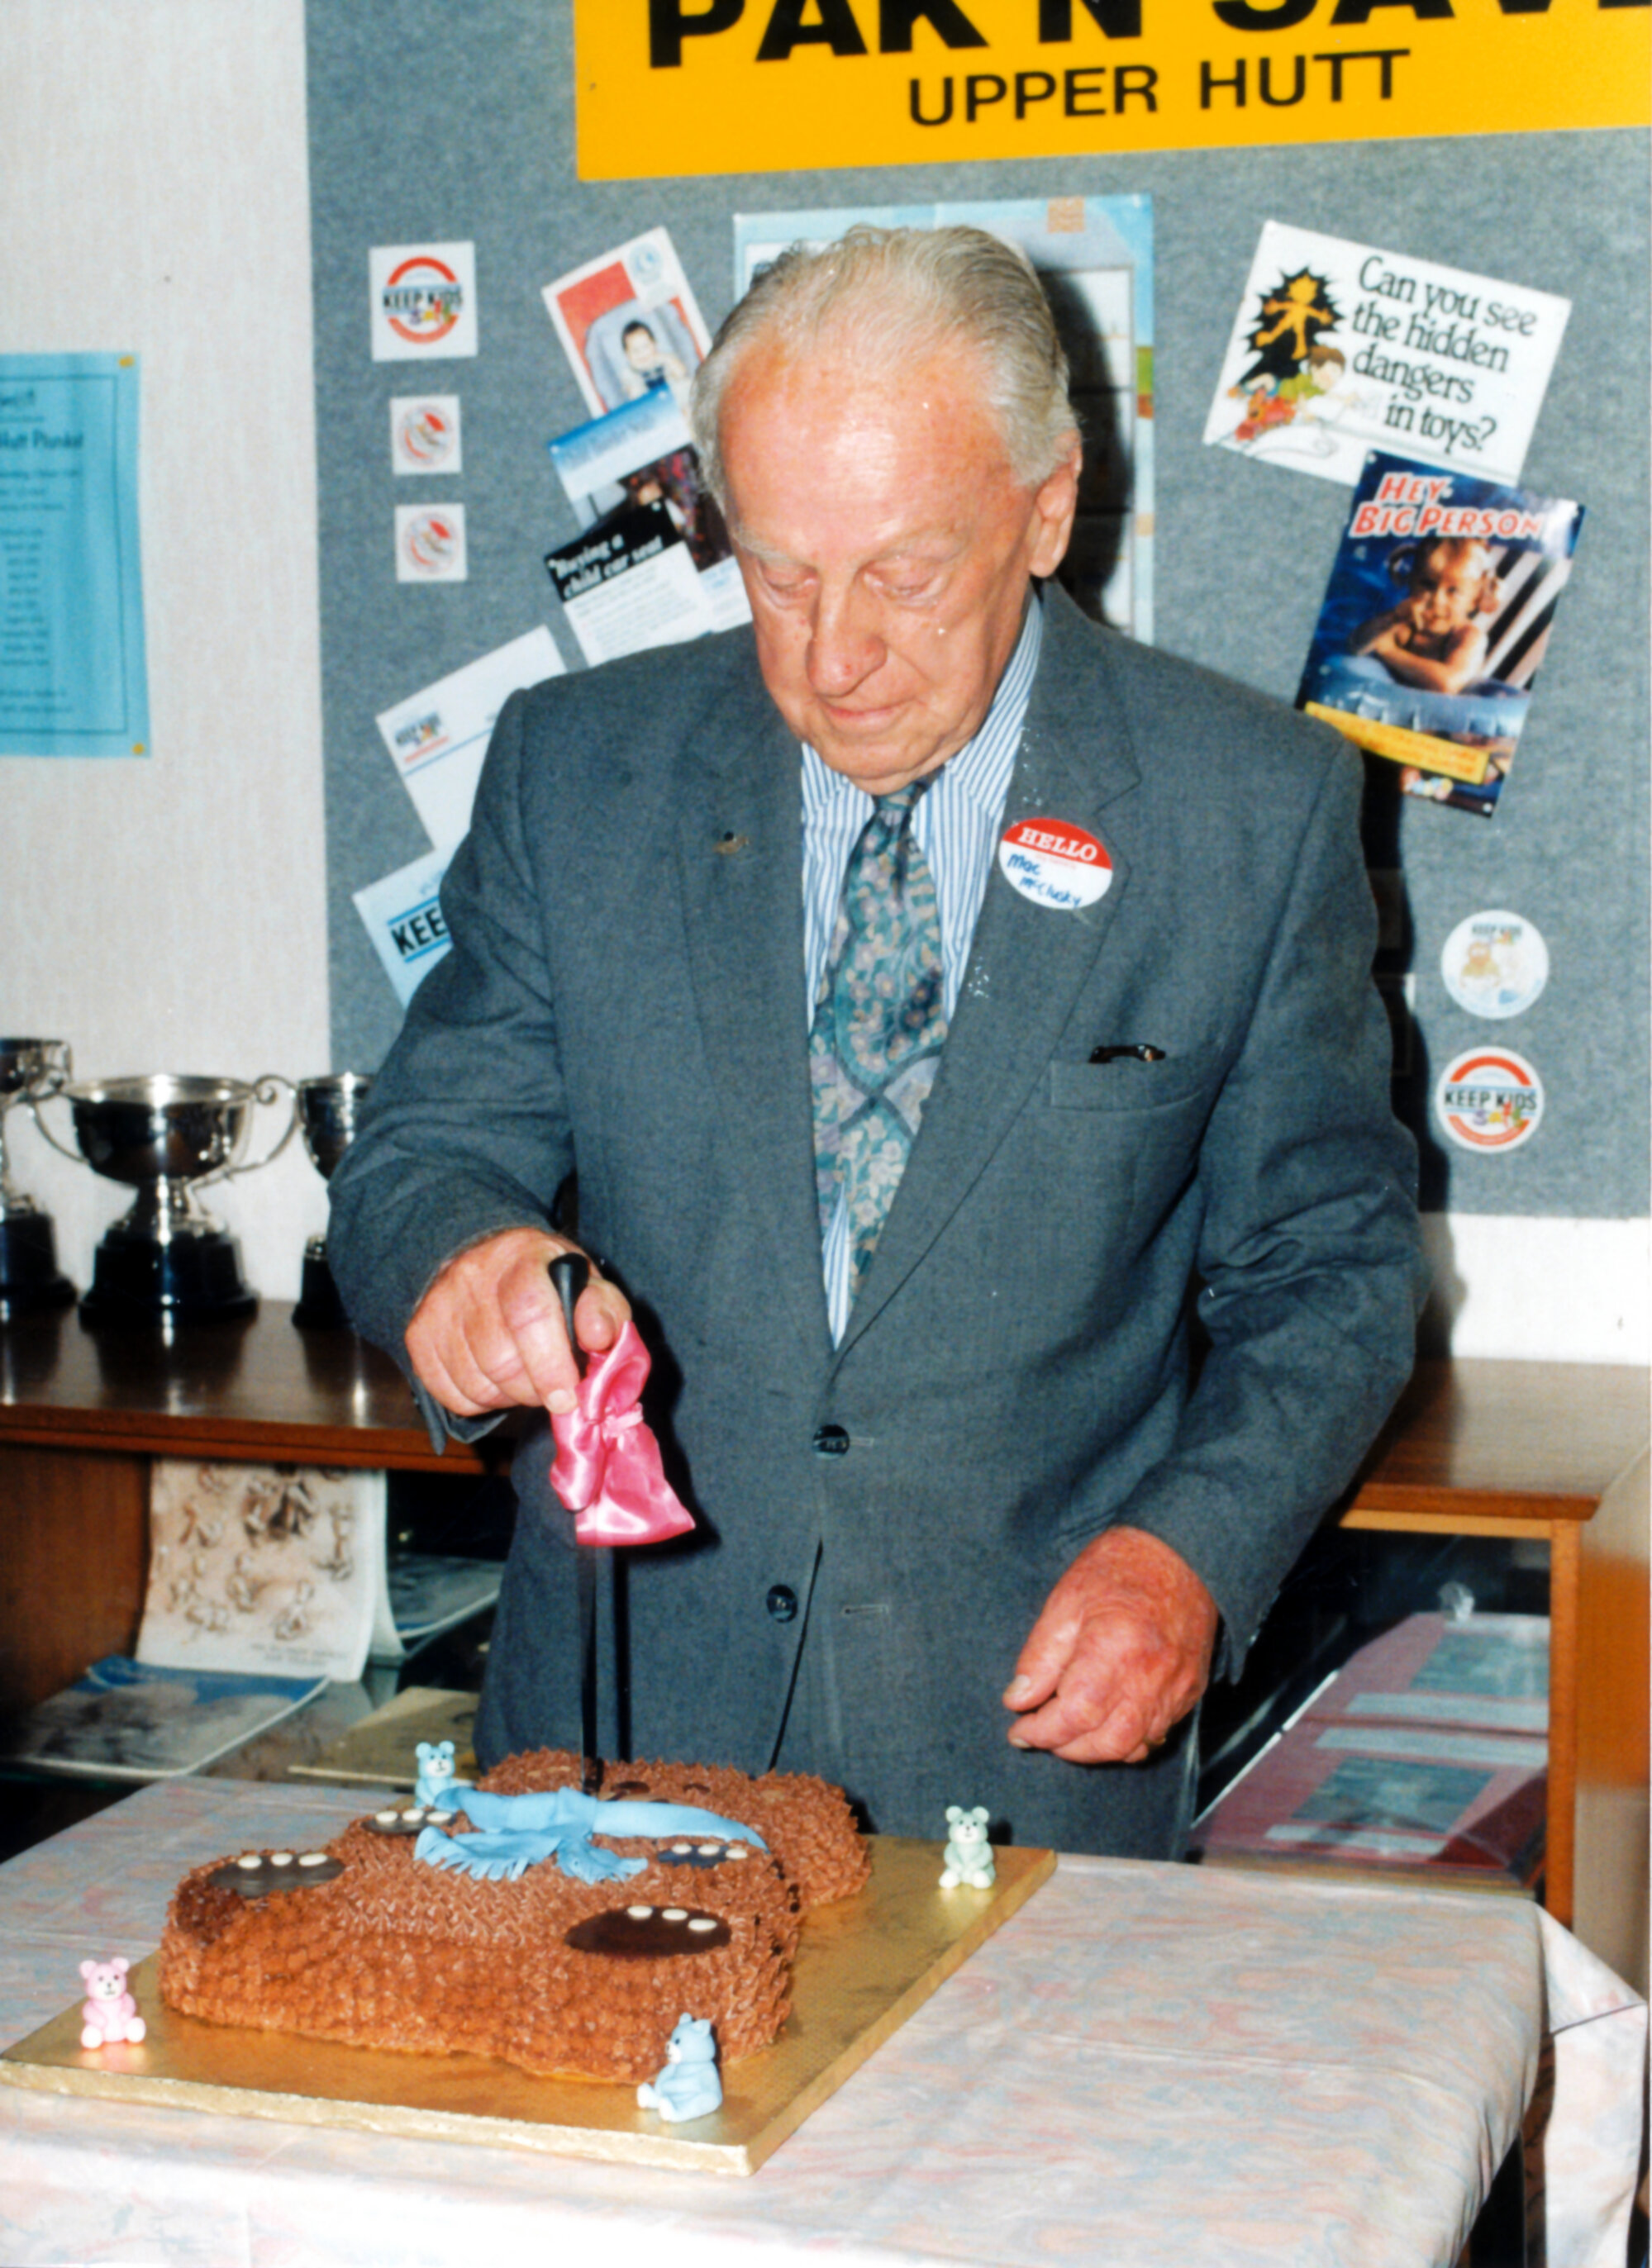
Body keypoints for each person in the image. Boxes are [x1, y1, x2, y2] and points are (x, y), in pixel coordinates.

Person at [329, 226, 1423, 1859]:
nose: (831, 656)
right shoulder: (579, 770)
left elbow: (1328, 1263)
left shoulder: (1247, 809)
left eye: (904, 575)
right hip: (616, 1733)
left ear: (1047, 506)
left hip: (1023, 1747)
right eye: (777, 569)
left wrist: (1189, 1551)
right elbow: (425, 1152)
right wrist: (461, 1262)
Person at [1350, 536, 1503, 696]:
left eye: (1453, 591)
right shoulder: (1405, 623)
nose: (1437, 599)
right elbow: (1354, 645)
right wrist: (1393, 617)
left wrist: (1389, 652)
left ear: (1475, 600)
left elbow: (1446, 685)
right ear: (1412, 582)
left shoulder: (1468, 637)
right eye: (1427, 584)